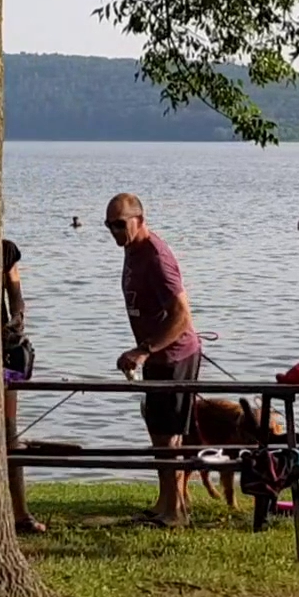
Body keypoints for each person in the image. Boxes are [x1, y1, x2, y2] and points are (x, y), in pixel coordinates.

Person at [105, 193, 202, 528]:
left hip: (175, 354)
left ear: (140, 219)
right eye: (109, 225)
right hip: (155, 355)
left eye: (120, 224)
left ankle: (175, 513)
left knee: (170, 435)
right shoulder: (133, 252)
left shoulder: (156, 256)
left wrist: (144, 349)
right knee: (159, 434)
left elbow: (182, 316)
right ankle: (165, 503)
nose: (115, 231)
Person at [1, 239, 45, 535]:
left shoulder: (5, 251)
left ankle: (20, 513)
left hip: (1, 348)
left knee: (8, 430)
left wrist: (16, 321)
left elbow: (16, 295)